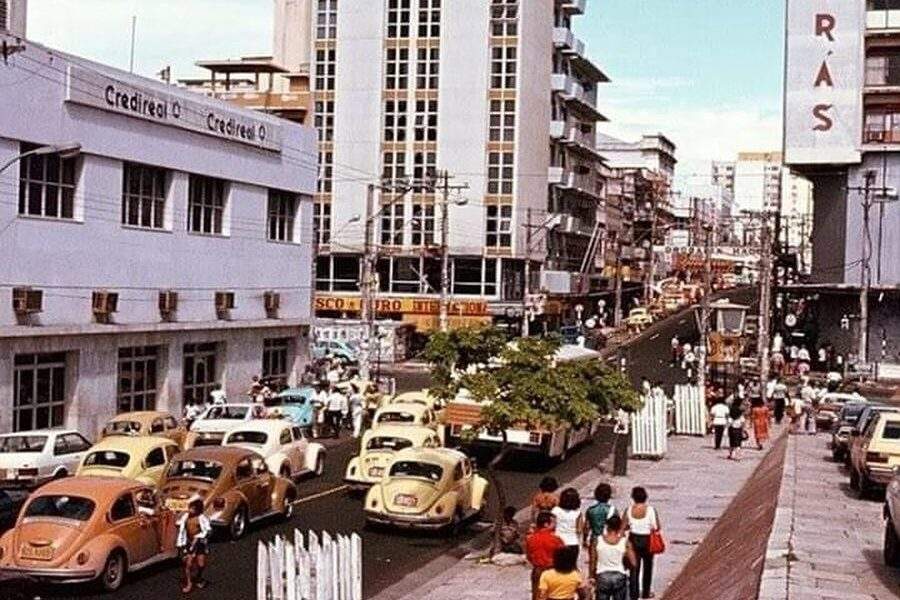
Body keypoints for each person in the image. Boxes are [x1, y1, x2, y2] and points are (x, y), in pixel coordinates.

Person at [624, 487, 660, 600]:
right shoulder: (651, 510)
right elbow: (657, 526)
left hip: (633, 538)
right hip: (648, 540)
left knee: (634, 568)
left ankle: (634, 594)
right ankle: (645, 592)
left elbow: (623, 526)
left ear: (633, 497)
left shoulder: (628, 510)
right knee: (648, 567)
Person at [590, 514, 635, 600]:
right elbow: (634, 563)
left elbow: (593, 561)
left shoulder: (597, 540)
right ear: (619, 527)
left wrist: (592, 576)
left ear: (607, 526)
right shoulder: (625, 542)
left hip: (602, 576)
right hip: (619, 575)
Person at [526, 512, 565, 600]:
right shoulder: (556, 540)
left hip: (537, 571)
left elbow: (529, 556)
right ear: (546, 524)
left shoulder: (530, 539)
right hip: (552, 571)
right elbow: (563, 557)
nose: (555, 525)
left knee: (536, 595)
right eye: (554, 523)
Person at [176, 499, 212, 593]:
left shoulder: (202, 518)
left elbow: (207, 530)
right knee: (188, 564)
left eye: (192, 508)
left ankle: (199, 577)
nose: (190, 510)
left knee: (201, 564)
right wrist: (181, 545)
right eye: (190, 508)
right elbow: (181, 529)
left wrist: (198, 537)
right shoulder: (186, 517)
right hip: (189, 543)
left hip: (199, 544)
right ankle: (189, 583)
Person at [551, 488, 584, 555]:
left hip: (558, 541)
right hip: (573, 542)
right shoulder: (578, 513)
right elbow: (579, 530)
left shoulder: (555, 510)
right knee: (572, 564)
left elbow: (552, 526)